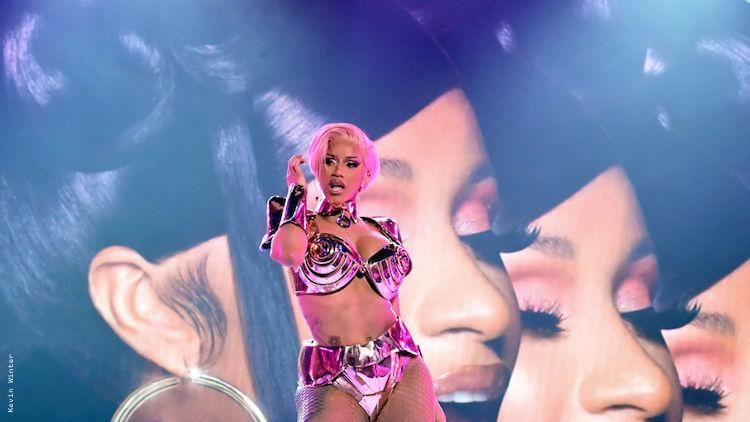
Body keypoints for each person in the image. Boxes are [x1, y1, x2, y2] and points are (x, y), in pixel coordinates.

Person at [262, 123, 444, 421]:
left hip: (401, 362)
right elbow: (288, 253)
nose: (338, 172)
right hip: (332, 374)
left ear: (366, 174)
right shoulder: (296, 221)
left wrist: (429, 399)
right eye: (329, 161)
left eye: (351, 164)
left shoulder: (384, 229)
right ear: (317, 167)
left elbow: (392, 302)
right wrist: (296, 191)